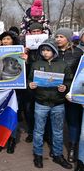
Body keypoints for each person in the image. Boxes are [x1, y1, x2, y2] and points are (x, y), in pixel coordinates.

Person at [28, 39, 72, 169]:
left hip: (58, 103)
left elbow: (69, 81)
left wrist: (65, 87)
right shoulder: (36, 64)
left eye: (48, 50)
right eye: (43, 50)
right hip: (41, 103)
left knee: (57, 132)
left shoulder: (63, 65)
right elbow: (30, 80)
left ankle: (58, 155)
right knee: (38, 131)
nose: (45, 53)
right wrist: (30, 85)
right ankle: (37, 155)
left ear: (54, 51)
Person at [55, 27, 83, 163]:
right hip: (56, 93)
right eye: (57, 36)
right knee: (57, 122)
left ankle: (72, 147)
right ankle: (56, 148)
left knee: (73, 121)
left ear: (68, 38)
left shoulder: (78, 53)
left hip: (72, 94)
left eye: (61, 36)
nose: (58, 39)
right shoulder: (52, 52)